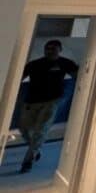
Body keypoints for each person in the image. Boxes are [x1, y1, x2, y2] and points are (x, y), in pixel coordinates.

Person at [18, 39, 78, 174]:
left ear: (59, 50)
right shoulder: (34, 64)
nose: (50, 51)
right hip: (31, 101)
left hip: (51, 101)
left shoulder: (65, 63)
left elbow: (79, 76)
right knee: (24, 128)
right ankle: (35, 149)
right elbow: (19, 77)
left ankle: (28, 160)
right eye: (48, 48)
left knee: (41, 130)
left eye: (53, 49)